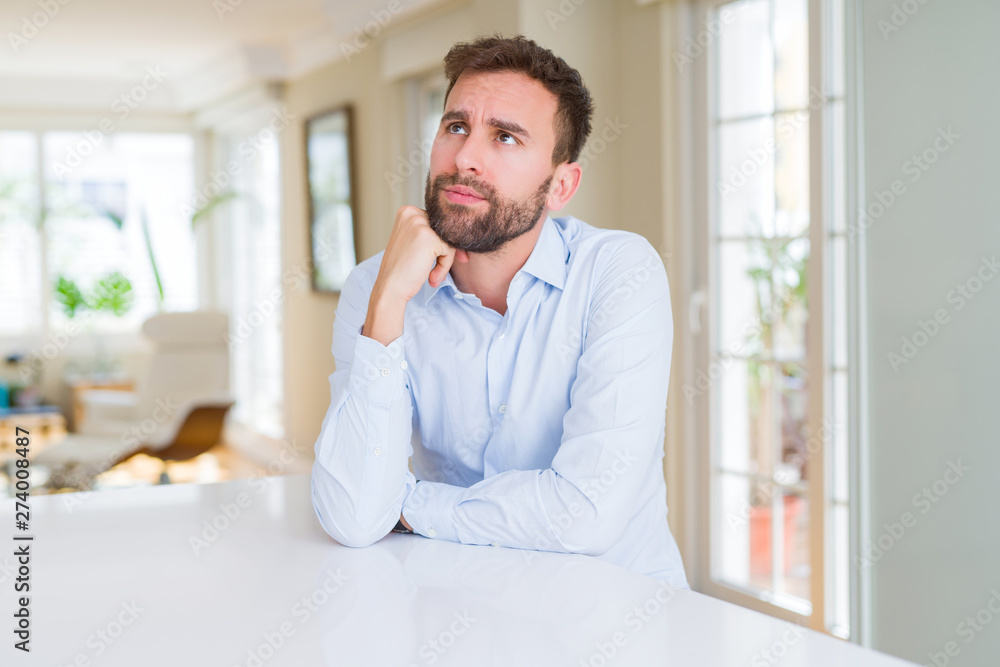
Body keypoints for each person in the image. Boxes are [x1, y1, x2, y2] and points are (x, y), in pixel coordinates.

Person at [311, 33, 688, 588]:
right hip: (462, 611)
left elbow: (584, 514)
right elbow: (352, 516)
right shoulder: (375, 285)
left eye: (506, 137)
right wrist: (388, 303)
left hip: (617, 617)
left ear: (561, 185)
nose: (465, 157)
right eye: (455, 126)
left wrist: (410, 508)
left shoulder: (619, 272)